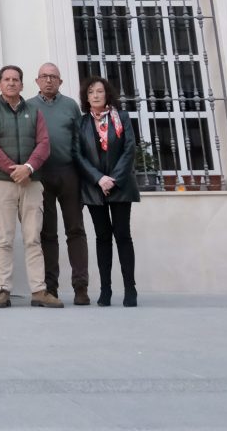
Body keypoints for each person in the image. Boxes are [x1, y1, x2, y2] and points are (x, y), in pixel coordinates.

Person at [0, 64, 57, 308]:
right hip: (2, 182)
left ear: (22, 85)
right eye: (7, 79)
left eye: (16, 79)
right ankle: (2, 290)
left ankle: (39, 291)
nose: (11, 83)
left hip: (32, 182)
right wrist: (14, 170)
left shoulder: (35, 111)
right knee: (4, 239)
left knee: (33, 238)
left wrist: (29, 168)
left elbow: (44, 143)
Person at [76, 75, 140, 307]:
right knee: (102, 238)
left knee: (122, 236)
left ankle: (130, 289)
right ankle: (105, 290)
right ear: (86, 97)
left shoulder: (121, 118)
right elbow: (78, 154)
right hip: (94, 188)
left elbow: (129, 149)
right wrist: (99, 178)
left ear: (107, 94)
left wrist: (113, 179)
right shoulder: (82, 122)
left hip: (120, 186)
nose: (95, 95)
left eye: (99, 91)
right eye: (91, 92)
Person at [35, 62, 90, 306]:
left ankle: (80, 287)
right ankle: (50, 288)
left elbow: (81, 140)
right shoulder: (29, 106)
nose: (49, 80)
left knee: (75, 230)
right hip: (42, 175)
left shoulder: (70, 106)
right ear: (37, 81)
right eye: (44, 76)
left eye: (53, 76)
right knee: (47, 233)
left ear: (60, 81)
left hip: (69, 173)